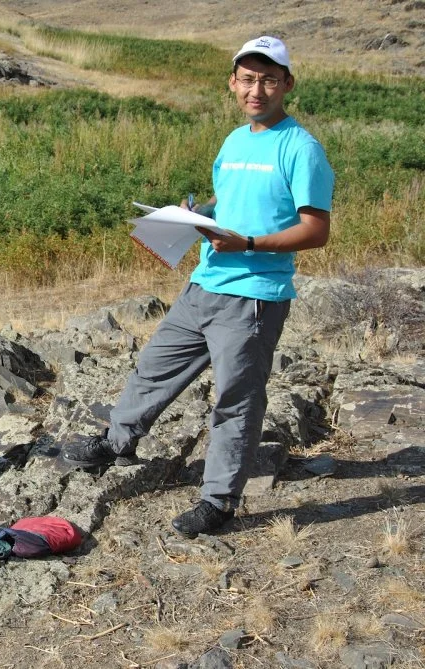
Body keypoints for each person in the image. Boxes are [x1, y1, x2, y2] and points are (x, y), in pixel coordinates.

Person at [62, 36, 334, 538]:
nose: (258, 89)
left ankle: (218, 501)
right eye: (248, 79)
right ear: (233, 84)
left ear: (287, 85)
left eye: (269, 79)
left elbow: (316, 230)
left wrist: (248, 242)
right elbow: (228, 196)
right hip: (204, 283)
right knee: (153, 369)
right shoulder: (234, 141)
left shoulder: (301, 148)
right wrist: (195, 216)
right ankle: (117, 442)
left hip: (253, 295)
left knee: (236, 399)